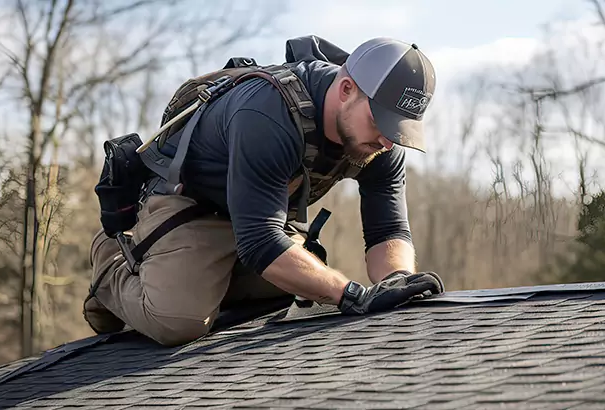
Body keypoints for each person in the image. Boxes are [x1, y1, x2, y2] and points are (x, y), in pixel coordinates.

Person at [84, 35, 446, 347]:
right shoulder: (269, 113)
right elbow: (261, 243)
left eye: (398, 128)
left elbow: (388, 231)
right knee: (179, 321)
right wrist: (351, 294)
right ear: (347, 89)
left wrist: (397, 282)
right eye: (379, 122)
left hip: (259, 213)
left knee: (295, 287)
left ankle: (197, 280)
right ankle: (112, 262)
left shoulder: (382, 141)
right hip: (190, 204)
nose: (387, 139)